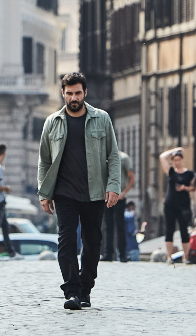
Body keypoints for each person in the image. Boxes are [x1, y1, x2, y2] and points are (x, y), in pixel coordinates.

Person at [37, 72, 122, 311]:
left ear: (85, 93)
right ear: (63, 94)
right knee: (66, 241)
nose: (74, 97)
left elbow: (113, 156)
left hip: (94, 192)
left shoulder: (102, 118)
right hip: (64, 193)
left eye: (78, 93)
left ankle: (86, 289)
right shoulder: (52, 122)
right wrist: (44, 192)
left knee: (93, 243)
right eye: (69, 93)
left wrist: (113, 186)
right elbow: (44, 160)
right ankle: (72, 291)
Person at [103, 150, 135, 262]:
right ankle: (108, 254)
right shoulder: (103, 156)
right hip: (106, 196)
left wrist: (124, 193)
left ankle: (122, 254)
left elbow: (132, 177)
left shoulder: (124, 158)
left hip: (119, 196)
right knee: (108, 226)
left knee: (120, 226)